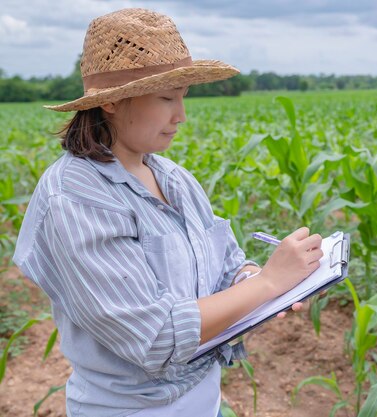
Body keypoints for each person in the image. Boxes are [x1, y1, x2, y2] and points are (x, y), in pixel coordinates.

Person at [12, 8, 323, 417]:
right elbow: (154, 336)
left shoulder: (173, 177)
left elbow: (226, 265)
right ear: (111, 102)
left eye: (183, 97)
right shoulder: (75, 197)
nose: (181, 116)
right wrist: (265, 284)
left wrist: (257, 282)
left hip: (202, 397)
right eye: (166, 98)